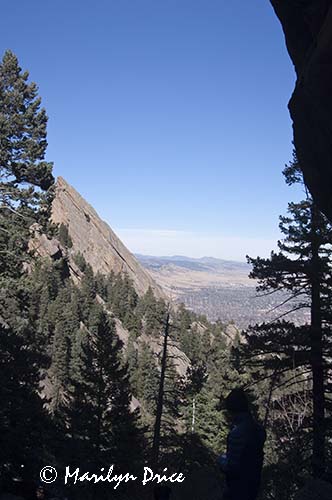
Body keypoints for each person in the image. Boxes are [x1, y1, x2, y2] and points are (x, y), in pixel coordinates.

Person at [217, 388, 266, 500]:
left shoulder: (237, 433)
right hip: (253, 486)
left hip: (237, 489)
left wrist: (220, 459)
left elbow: (232, 467)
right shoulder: (259, 430)